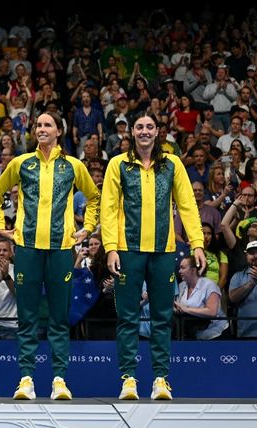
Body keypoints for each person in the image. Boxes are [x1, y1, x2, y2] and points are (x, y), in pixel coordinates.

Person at [0, 110, 100, 401]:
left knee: (58, 317)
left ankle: (59, 379)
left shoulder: (74, 165)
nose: (41, 128)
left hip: (62, 249)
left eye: (47, 124)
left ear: (59, 131)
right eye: (38, 124)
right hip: (26, 248)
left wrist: (87, 228)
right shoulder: (21, 163)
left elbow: (94, 197)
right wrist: (1, 227)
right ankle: (26, 378)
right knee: (26, 316)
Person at [100, 111, 205, 401]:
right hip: (128, 250)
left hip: (163, 251)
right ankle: (128, 379)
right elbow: (108, 209)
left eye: (150, 126)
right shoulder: (118, 164)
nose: (145, 131)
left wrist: (197, 242)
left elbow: (187, 205)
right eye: (139, 127)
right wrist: (110, 247)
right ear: (131, 132)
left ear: (158, 131)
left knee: (162, 316)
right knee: (127, 318)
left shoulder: (172, 164)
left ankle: (160, 378)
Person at [174, 256, 228, 340]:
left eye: (183, 268)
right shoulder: (181, 286)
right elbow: (180, 308)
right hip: (196, 335)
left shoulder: (209, 285)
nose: (179, 271)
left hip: (216, 334)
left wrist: (186, 309)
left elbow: (212, 311)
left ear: (193, 270)